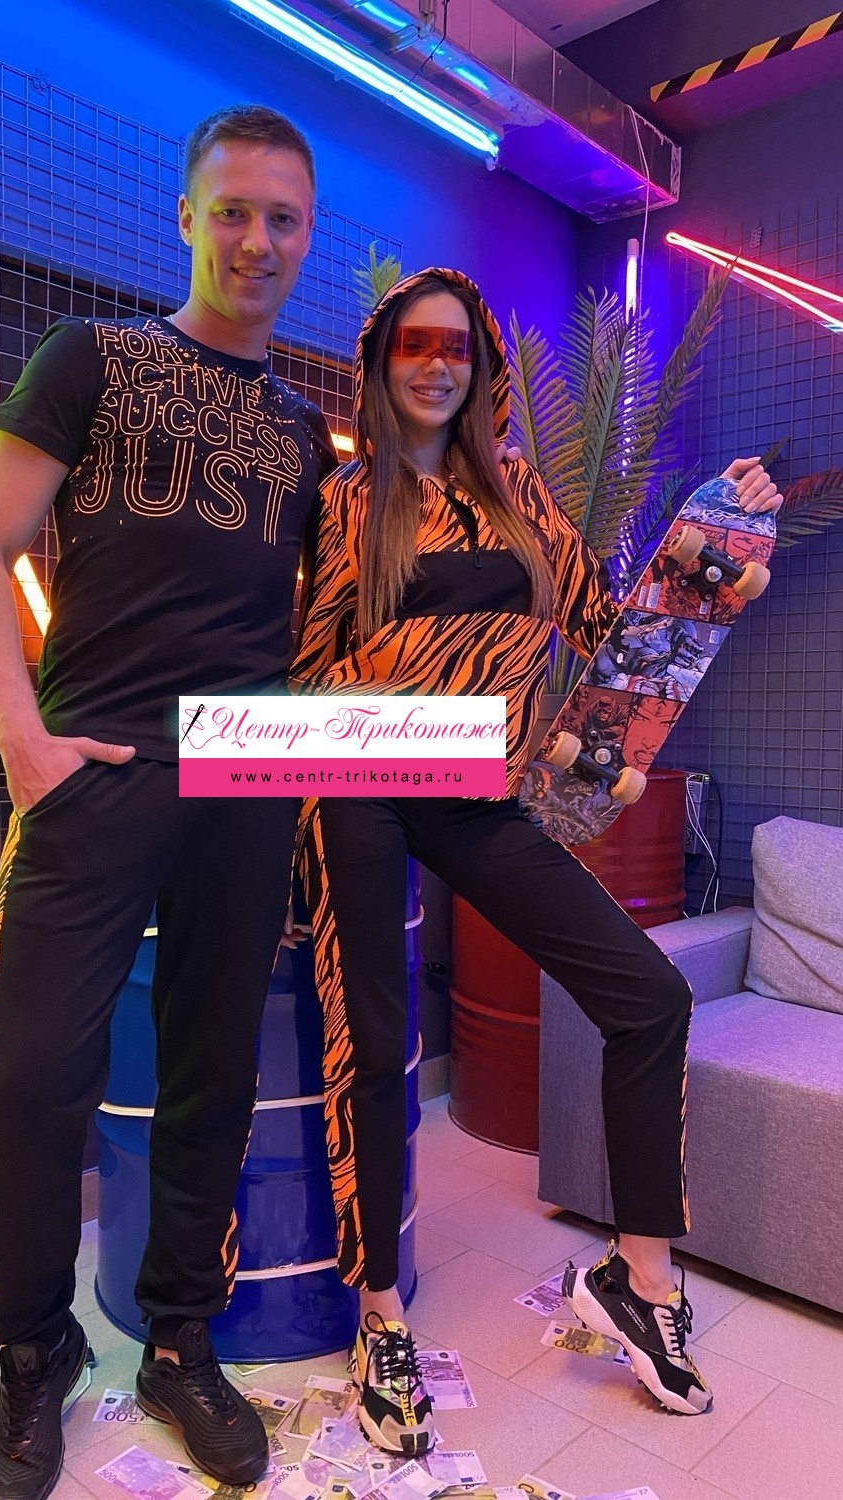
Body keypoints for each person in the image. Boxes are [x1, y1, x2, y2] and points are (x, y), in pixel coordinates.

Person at [290, 267, 782, 1454]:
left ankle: (638, 1280)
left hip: (475, 796)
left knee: (647, 995)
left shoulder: (517, 496)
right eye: (412, 343)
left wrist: (714, 537)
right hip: (359, 784)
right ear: (381, 362)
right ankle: (380, 1317)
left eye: (456, 346)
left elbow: (616, 636)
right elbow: (304, 671)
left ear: (483, 370)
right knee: (373, 1037)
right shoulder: (348, 499)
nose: (435, 363)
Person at [0, 105, 336, 1500]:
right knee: (33, 1074)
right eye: (232, 210)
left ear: (306, 237)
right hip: (92, 767)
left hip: (243, 777)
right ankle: (33, 1355)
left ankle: (179, 1340)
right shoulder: (92, 360)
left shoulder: (305, 431)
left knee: (211, 1076)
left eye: (282, 218)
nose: (256, 239)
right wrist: (24, 741)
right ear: (186, 217)